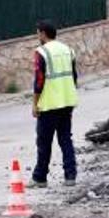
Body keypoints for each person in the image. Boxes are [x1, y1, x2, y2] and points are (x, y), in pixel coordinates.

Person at [30, 20, 79, 188]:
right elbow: (74, 76)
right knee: (65, 138)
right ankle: (70, 175)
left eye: (38, 33)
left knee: (44, 142)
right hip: (67, 101)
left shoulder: (41, 52)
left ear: (43, 33)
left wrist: (35, 104)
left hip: (49, 104)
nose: (37, 36)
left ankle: (40, 177)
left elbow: (39, 81)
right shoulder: (68, 50)